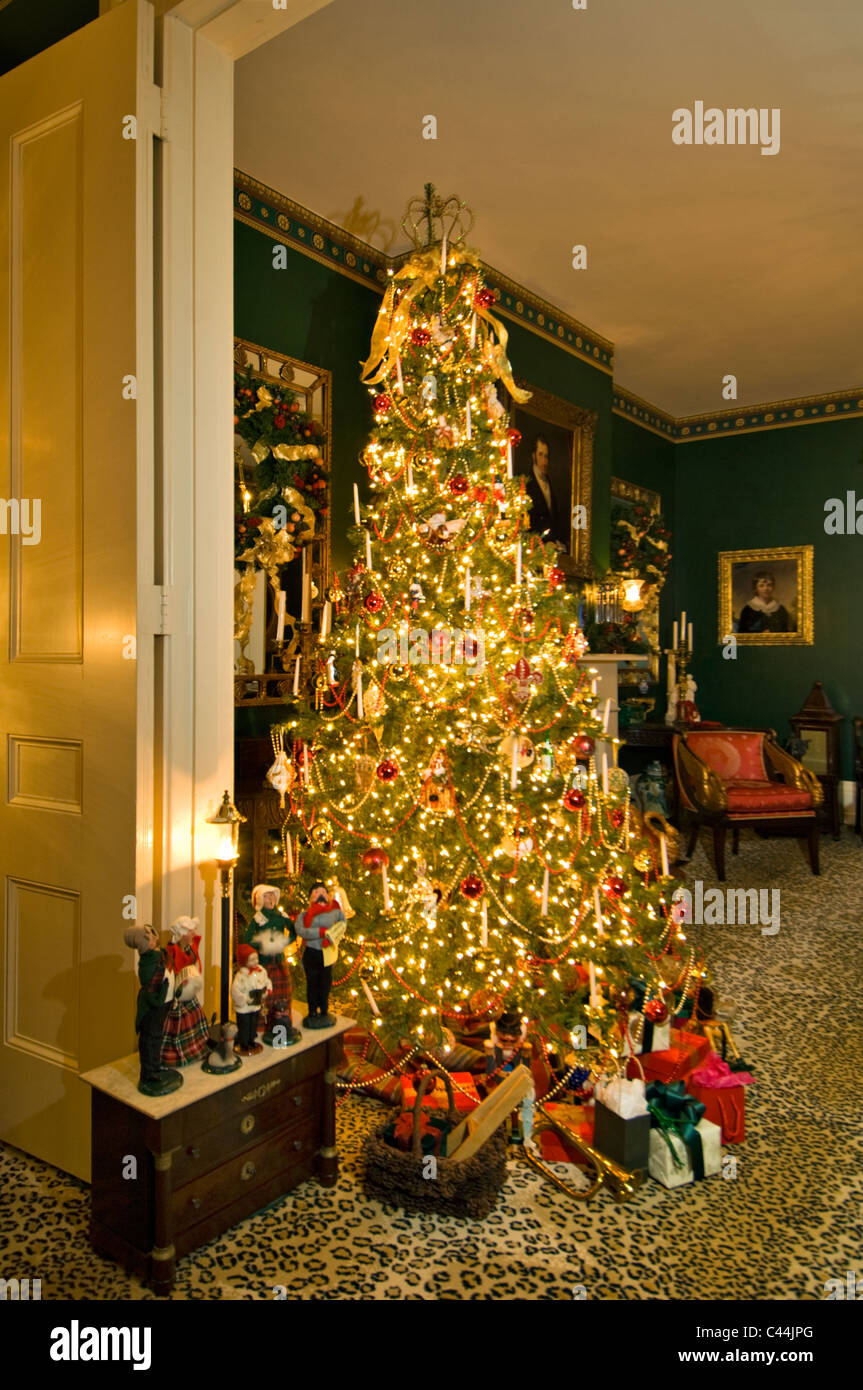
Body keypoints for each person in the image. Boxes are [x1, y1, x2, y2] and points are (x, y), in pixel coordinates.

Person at [123, 925, 182, 1096]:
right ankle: (148, 1074)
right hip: (153, 1008)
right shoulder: (148, 963)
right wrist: (164, 989)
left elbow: (170, 974)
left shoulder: (159, 955)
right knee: (149, 1040)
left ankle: (156, 1069)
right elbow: (152, 990)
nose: (155, 937)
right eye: (150, 936)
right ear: (143, 943)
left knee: (157, 1038)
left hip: (164, 1004)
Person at [244, 885, 298, 1041]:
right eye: (266, 896)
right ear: (260, 900)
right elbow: (247, 939)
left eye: (272, 896)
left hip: (279, 961)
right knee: (263, 993)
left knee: (284, 991)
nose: (271, 900)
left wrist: (285, 942)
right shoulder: (258, 918)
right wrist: (260, 946)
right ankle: (263, 1024)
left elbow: (294, 930)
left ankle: (283, 1022)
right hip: (264, 963)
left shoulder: (281, 916)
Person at [293, 881, 346, 1028]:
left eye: (323, 892)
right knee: (312, 984)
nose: (320, 895)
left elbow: (342, 925)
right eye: (316, 892)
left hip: (327, 954)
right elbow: (301, 930)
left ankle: (324, 1010)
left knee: (325, 983)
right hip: (311, 953)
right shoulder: (304, 915)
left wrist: (332, 937)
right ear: (311, 898)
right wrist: (320, 933)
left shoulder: (335, 912)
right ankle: (312, 1012)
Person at [161, 916, 210, 1067]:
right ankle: (178, 1054)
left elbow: (196, 963)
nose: (193, 933)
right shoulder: (172, 952)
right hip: (179, 994)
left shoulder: (191, 948)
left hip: (190, 991)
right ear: (182, 934)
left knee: (195, 1017)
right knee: (179, 1024)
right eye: (190, 931)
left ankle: (197, 1048)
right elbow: (168, 973)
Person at [524, 435, 566, 548]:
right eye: (541, 455)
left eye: (546, 456)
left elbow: (553, 518)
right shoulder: (526, 483)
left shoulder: (549, 483)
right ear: (534, 456)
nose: (544, 461)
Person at [231, 945, 272, 1055]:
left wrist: (267, 991)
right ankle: (244, 1043)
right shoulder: (240, 976)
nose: (255, 961)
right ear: (245, 961)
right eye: (252, 959)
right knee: (244, 1025)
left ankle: (251, 1041)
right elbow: (235, 990)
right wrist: (244, 998)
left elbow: (266, 981)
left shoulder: (260, 970)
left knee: (253, 1023)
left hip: (255, 1005)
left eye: (256, 958)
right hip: (244, 1007)